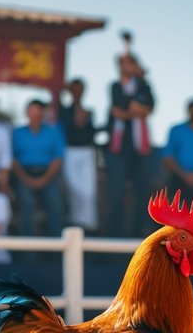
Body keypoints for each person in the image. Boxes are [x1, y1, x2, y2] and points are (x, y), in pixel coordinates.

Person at [104, 51, 156, 236]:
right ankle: (114, 236)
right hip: (118, 150)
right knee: (115, 195)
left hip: (140, 151)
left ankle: (136, 235)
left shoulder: (144, 86)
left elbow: (149, 106)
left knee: (142, 195)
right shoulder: (115, 86)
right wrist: (136, 110)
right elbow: (122, 104)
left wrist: (131, 110)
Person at [11, 99, 67, 237]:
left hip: (48, 174)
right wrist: (26, 179)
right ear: (27, 113)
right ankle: (29, 252)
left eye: (38, 113)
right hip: (24, 174)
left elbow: (57, 159)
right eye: (32, 112)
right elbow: (13, 160)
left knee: (55, 204)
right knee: (26, 203)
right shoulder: (17, 133)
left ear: (43, 114)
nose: (35, 116)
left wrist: (44, 179)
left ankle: (56, 250)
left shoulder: (54, 132)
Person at [56, 78, 99, 232]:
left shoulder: (88, 111)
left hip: (86, 151)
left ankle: (88, 226)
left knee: (88, 192)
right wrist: (64, 90)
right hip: (70, 151)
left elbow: (88, 130)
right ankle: (75, 224)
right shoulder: (63, 110)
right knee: (73, 189)